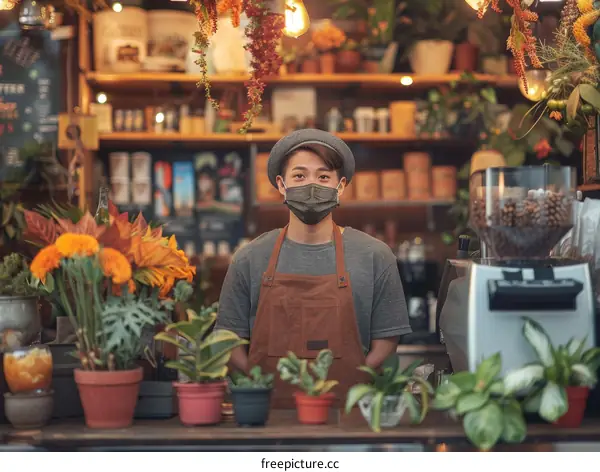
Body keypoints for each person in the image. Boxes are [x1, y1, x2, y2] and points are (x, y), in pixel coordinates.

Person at [215, 129, 412, 408]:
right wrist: (258, 385)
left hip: (348, 418)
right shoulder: (249, 259)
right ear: (282, 185)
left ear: (340, 186)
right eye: (299, 176)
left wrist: (352, 384)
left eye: (323, 177)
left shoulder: (375, 256)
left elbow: (387, 342)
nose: (311, 185)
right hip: (268, 419)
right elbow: (229, 340)